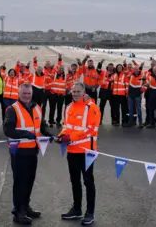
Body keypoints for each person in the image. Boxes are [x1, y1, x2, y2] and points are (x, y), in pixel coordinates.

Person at [3, 83, 53, 225]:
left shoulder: (37, 107)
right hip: (19, 152)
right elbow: (8, 130)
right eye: (24, 93)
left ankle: (25, 207)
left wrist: (50, 135)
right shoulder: (12, 109)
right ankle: (18, 212)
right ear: (19, 94)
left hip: (33, 150)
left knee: (30, 180)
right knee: (20, 182)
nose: (27, 96)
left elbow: (42, 126)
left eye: (29, 94)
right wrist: (25, 134)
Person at [57, 82, 101, 226]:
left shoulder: (92, 108)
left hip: (86, 152)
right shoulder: (69, 107)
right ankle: (77, 209)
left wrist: (71, 137)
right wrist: (62, 135)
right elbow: (66, 126)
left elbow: (91, 130)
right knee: (75, 181)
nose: (75, 93)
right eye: (73, 91)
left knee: (88, 182)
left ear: (84, 92)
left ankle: (90, 213)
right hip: (72, 151)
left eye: (78, 91)